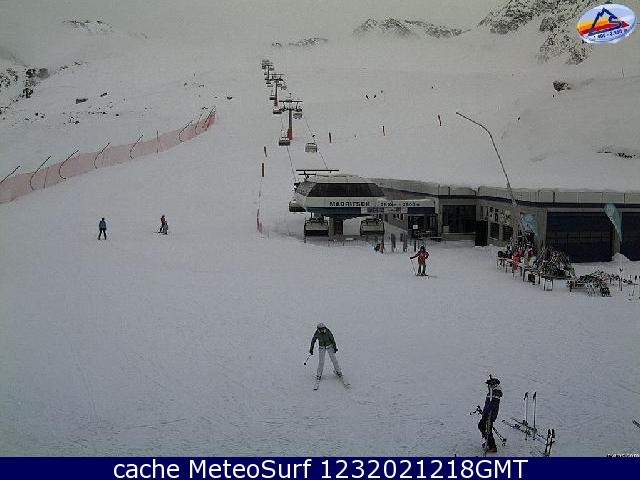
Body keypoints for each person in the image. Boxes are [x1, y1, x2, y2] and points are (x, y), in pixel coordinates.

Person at [478, 376, 502, 453]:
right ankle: (488, 442)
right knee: (482, 426)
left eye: (489, 385)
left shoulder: (496, 393)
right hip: (487, 413)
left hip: (490, 414)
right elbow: (488, 404)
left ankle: (492, 446)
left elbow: (492, 405)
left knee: (488, 429)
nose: (488, 386)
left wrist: (487, 414)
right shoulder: (491, 392)